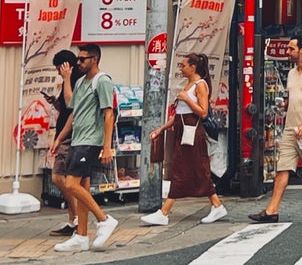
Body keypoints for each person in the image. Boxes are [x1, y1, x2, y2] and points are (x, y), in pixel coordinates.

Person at [249, 36, 302, 223]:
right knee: (283, 167)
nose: (287, 52)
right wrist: (284, 105)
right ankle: (272, 210)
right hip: (290, 128)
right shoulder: (292, 73)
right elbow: (294, 97)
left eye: (290, 49)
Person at [140, 53, 227, 226]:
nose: (181, 68)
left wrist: (187, 99)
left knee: (183, 169)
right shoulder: (189, 85)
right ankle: (216, 205)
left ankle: (164, 212)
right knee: (196, 169)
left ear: (193, 67)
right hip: (183, 131)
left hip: (192, 132)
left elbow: (203, 112)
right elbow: (178, 115)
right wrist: (160, 129)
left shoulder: (200, 85)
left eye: (183, 65)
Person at [48, 43, 119, 253]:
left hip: (91, 141)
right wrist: (60, 138)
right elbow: (73, 112)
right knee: (82, 189)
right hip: (78, 139)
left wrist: (106, 146)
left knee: (70, 184)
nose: (78, 63)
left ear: (94, 60)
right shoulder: (80, 83)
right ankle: (81, 235)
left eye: (82, 59)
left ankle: (104, 220)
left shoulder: (102, 81)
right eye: (78, 59)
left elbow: (109, 114)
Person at [47, 50, 84, 238]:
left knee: (60, 179)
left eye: (58, 67)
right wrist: (55, 102)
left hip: (70, 136)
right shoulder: (71, 82)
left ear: (65, 66)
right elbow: (66, 107)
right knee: (66, 180)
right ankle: (73, 221)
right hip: (65, 134)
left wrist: (60, 138)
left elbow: (72, 106)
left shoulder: (76, 81)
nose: (57, 72)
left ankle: (78, 218)